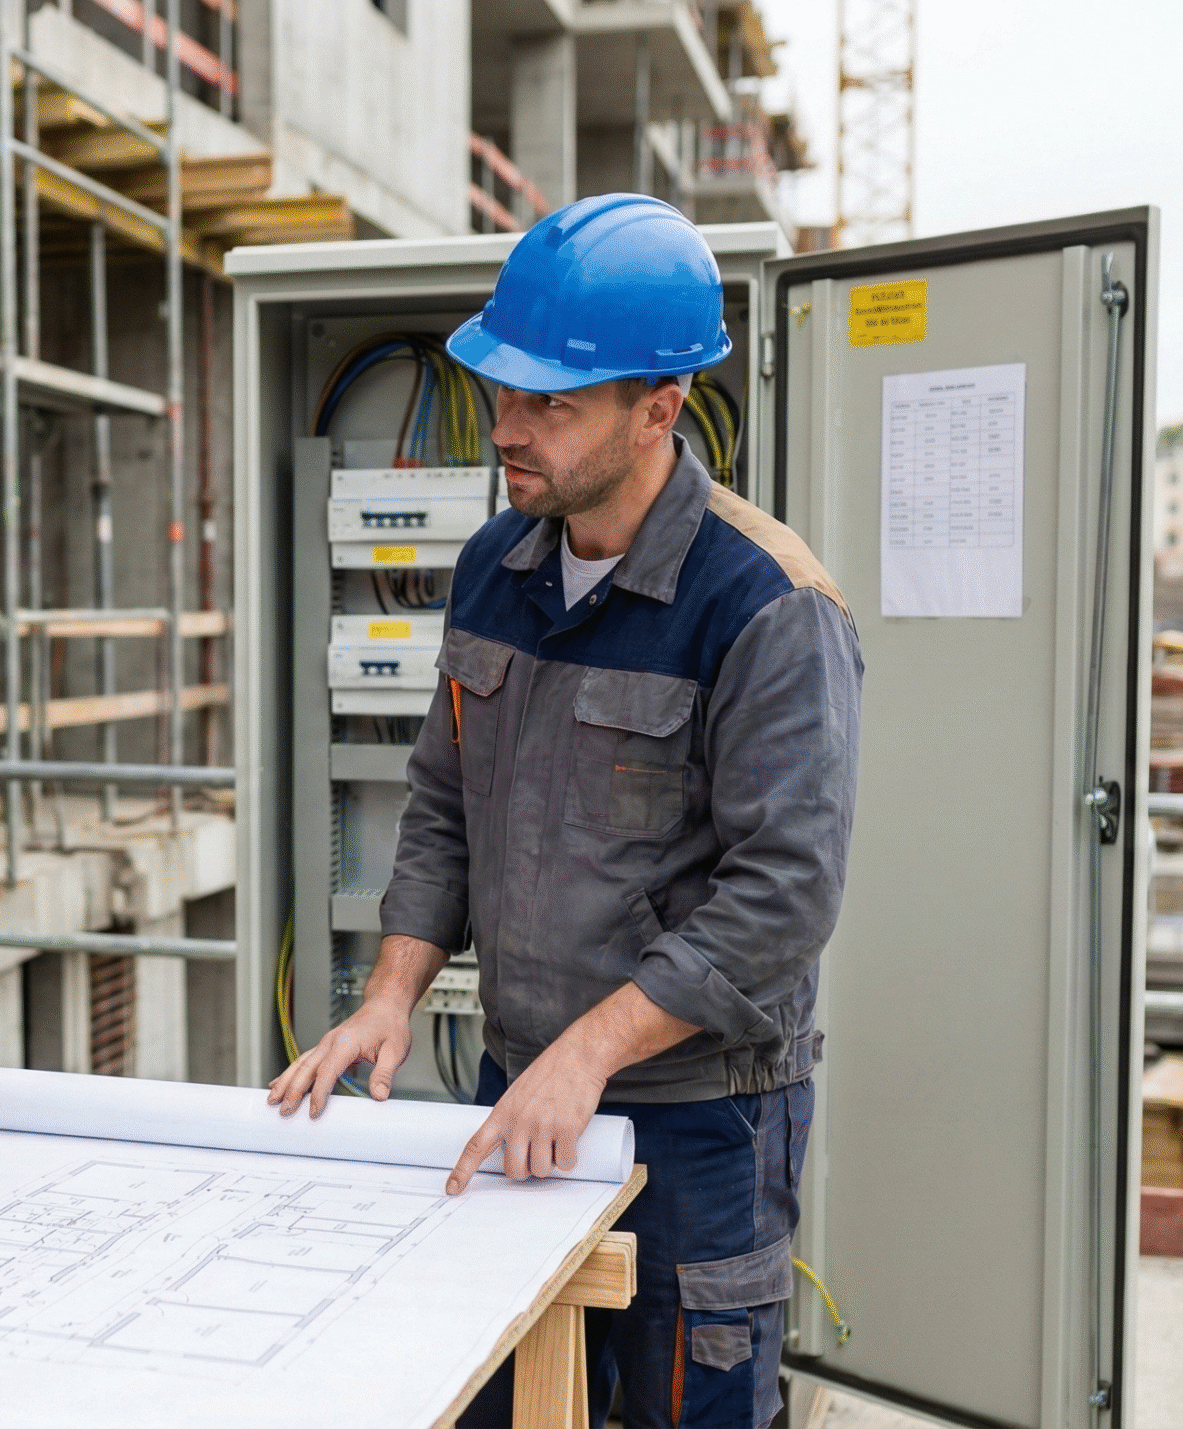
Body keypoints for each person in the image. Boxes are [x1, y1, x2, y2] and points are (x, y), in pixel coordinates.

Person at [268, 194, 863, 1429]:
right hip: (518, 1092)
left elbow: (783, 896)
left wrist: (584, 1056)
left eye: (553, 402)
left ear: (660, 407)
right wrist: (385, 995)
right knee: (495, 1401)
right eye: (503, 392)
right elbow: (443, 801)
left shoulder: (765, 604)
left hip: (697, 1128)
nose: (507, 429)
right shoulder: (499, 562)